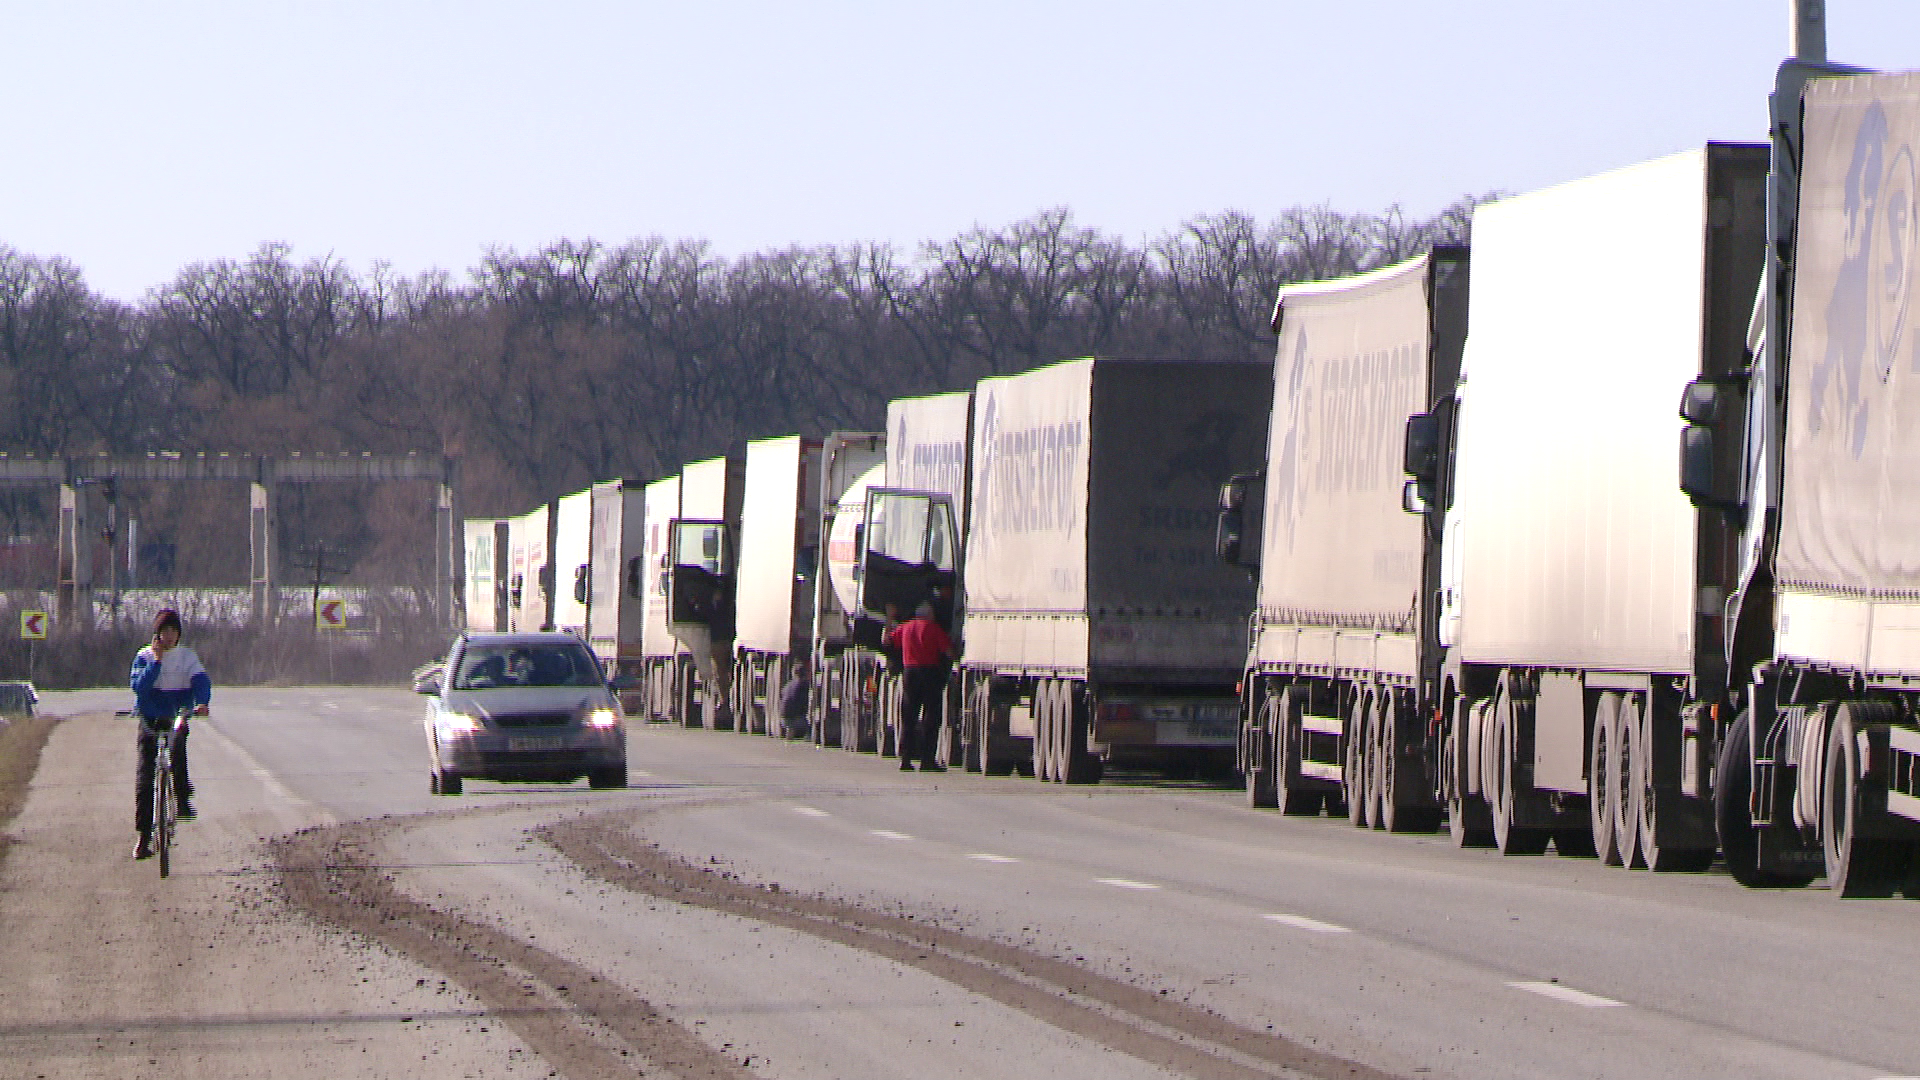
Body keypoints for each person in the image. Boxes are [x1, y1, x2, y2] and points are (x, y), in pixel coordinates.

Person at [129, 608, 211, 859]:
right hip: (150, 718)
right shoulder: (144, 656)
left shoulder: (187, 657)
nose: (169, 636)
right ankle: (144, 836)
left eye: (174, 631)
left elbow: (201, 681)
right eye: (165, 631)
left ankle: (183, 801)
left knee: (177, 751)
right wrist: (156, 661)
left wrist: (202, 702)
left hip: (177, 715)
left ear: (179, 634)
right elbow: (139, 688)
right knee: (145, 774)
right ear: (157, 633)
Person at [883, 601, 954, 772]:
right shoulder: (933, 628)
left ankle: (905, 759)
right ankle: (927, 760)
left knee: (909, 717)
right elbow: (948, 651)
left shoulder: (905, 628)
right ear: (929, 615)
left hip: (910, 674)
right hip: (930, 674)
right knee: (931, 718)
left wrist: (889, 619)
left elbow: (887, 642)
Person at [778, 669, 811, 740]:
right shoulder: (804, 684)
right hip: (796, 718)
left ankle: (789, 730)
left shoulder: (788, 684)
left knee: (790, 722)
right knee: (807, 725)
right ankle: (808, 735)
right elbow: (805, 700)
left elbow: (781, 696)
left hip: (783, 717)